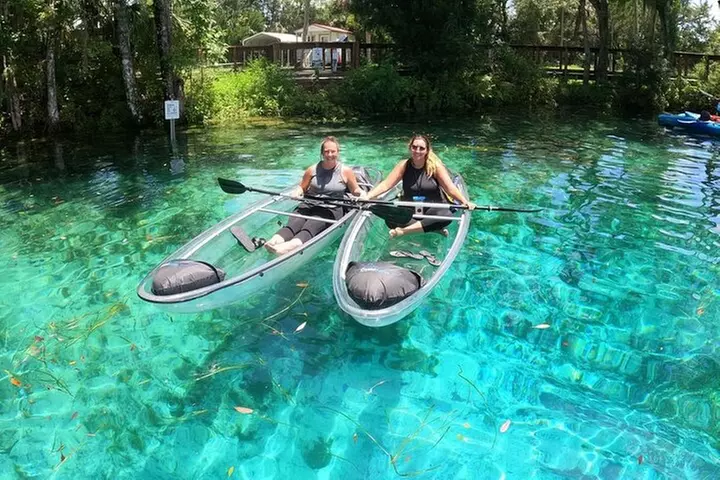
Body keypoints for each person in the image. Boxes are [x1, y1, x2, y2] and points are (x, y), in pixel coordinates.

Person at [264, 136, 365, 255]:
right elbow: (302, 187)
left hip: (330, 209)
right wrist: (297, 192)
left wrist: (363, 194)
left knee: (311, 225)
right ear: (322, 153)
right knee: (294, 223)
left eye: (333, 151)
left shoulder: (346, 171)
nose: (330, 154)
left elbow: (355, 190)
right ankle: (274, 241)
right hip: (308, 204)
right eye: (327, 151)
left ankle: (287, 247)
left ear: (337, 152)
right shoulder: (312, 170)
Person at [364, 134, 475, 238]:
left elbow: (449, 188)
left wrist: (464, 201)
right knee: (390, 219)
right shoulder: (403, 165)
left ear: (427, 151)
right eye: (414, 147)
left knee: (445, 215)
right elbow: (386, 184)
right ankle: (431, 228)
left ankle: (403, 231)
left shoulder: (435, 167)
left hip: (433, 212)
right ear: (410, 148)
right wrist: (368, 196)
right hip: (411, 211)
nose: (417, 151)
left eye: (421, 148)